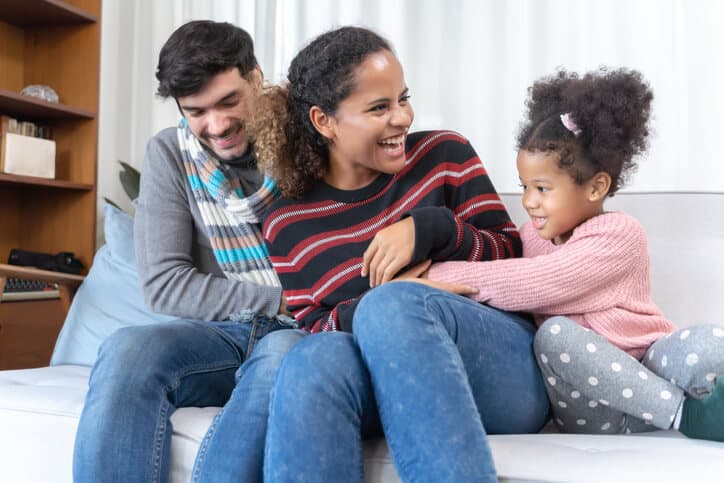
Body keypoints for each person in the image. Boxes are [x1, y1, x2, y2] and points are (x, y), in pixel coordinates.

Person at [251, 26, 549, 482]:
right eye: (379, 108)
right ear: (323, 121)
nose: (402, 118)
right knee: (311, 359)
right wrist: (378, 302)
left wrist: (434, 229)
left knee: (391, 306)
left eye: (402, 99)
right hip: (382, 379)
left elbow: (514, 257)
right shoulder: (285, 221)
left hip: (500, 368)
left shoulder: (444, 155)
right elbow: (313, 326)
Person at [424, 68, 724, 441]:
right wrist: (429, 272)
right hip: (593, 407)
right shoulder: (528, 237)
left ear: (597, 186)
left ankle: (680, 404)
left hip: (648, 366)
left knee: (710, 340)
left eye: (543, 188)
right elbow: (494, 275)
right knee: (554, 335)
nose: (529, 202)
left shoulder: (620, 234)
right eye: (525, 187)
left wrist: (430, 276)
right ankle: (685, 416)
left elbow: (535, 281)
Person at [73, 20, 305, 483]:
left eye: (228, 101)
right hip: (225, 332)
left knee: (280, 364)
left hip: (305, 328)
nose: (216, 125)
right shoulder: (170, 155)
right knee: (127, 349)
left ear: (255, 77)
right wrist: (277, 300)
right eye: (196, 111)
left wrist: (297, 309)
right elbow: (163, 285)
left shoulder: (309, 137)